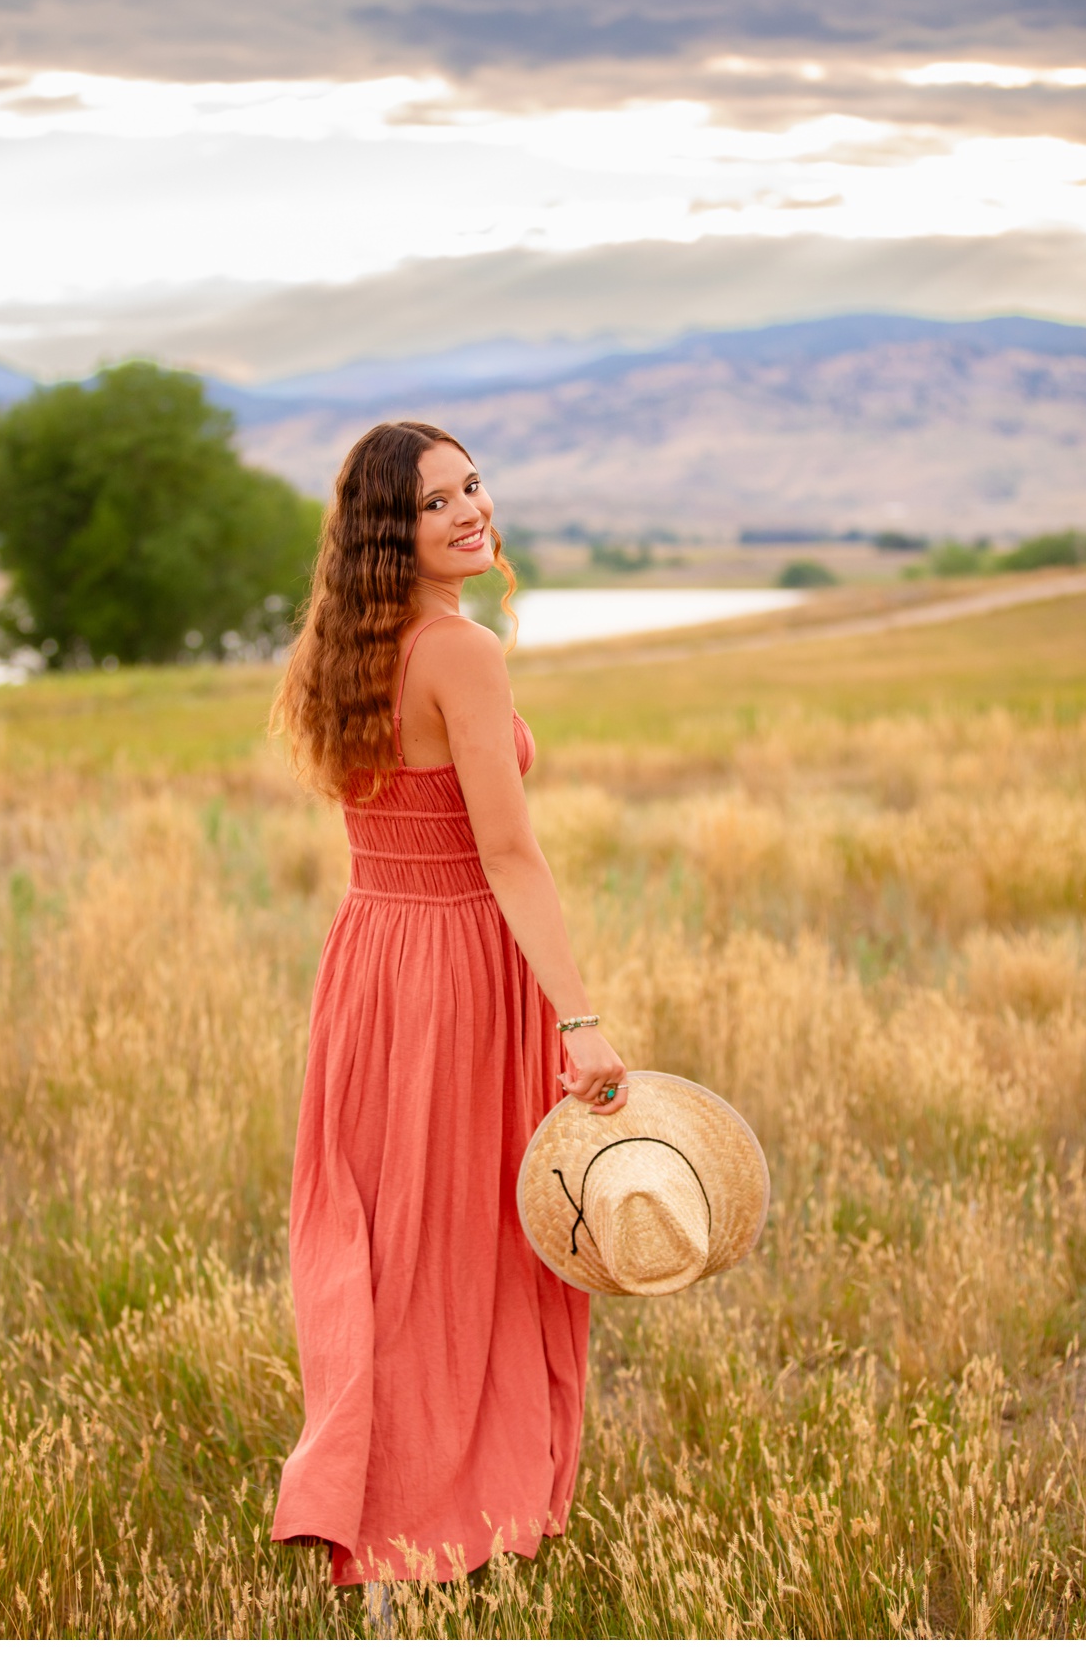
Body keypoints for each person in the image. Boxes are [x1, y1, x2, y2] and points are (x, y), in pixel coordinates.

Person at [266, 421, 627, 1620]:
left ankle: (388, 1512)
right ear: (392, 533)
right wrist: (579, 1021)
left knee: (387, 1247)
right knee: (463, 1247)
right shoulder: (460, 652)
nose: (473, 509)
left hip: (371, 960)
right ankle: (427, 1525)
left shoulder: (342, 639)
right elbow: (511, 855)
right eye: (438, 503)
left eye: (474, 485)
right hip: (460, 965)